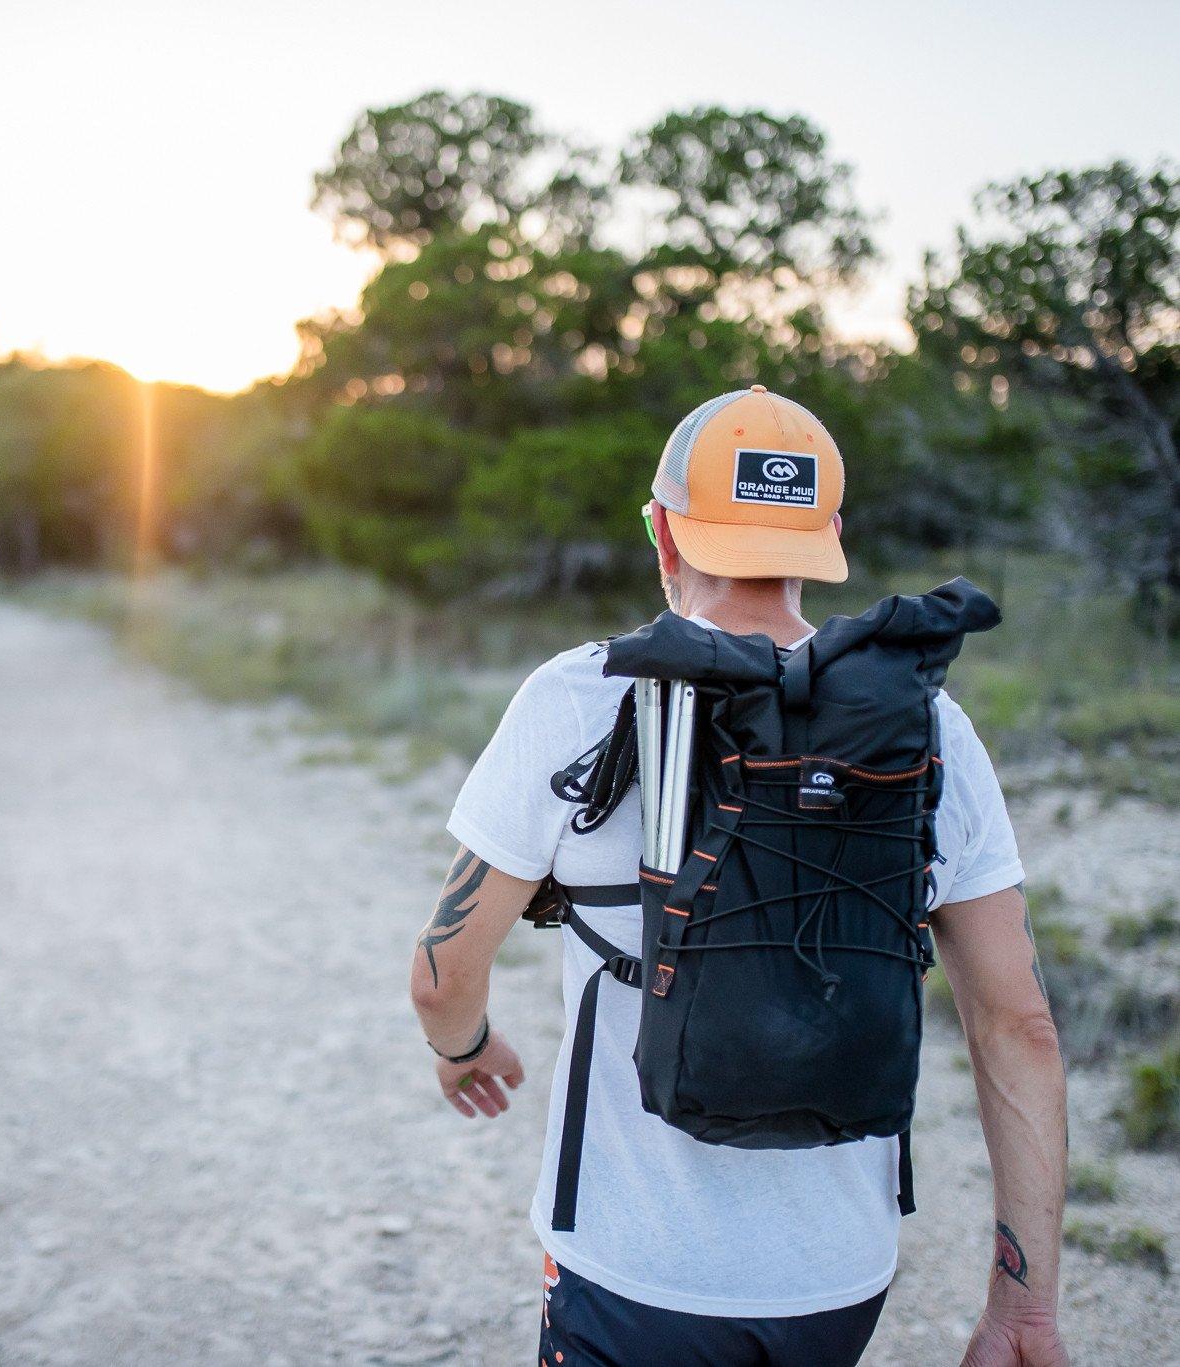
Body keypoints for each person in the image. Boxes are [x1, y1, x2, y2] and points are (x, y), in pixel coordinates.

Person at [410, 386, 1069, 1367]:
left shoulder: (578, 697)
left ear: (662, 531)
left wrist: (464, 1044)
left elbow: (439, 969)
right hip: (836, 1278)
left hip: (633, 1267)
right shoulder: (927, 727)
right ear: (827, 538)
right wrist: (1023, 1307)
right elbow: (1015, 1025)